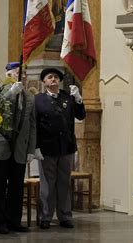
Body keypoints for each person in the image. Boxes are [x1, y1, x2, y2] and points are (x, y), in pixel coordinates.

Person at [0, 61, 36, 234]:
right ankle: (0, 222)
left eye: (23, 74)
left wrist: (31, 149)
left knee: (16, 187)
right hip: (0, 146)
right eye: (17, 73)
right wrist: (9, 93)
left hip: (20, 148)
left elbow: (32, 124)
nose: (21, 76)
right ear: (8, 74)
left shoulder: (29, 96)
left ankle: (14, 221)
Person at [34, 68, 86, 229]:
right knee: (47, 184)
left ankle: (64, 216)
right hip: (47, 148)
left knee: (64, 183)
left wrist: (78, 99)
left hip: (66, 147)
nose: (54, 79)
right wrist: (35, 147)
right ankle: (46, 217)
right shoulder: (38, 100)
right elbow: (35, 125)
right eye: (50, 77)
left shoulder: (67, 97)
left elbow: (80, 115)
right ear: (44, 82)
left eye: (56, 77)